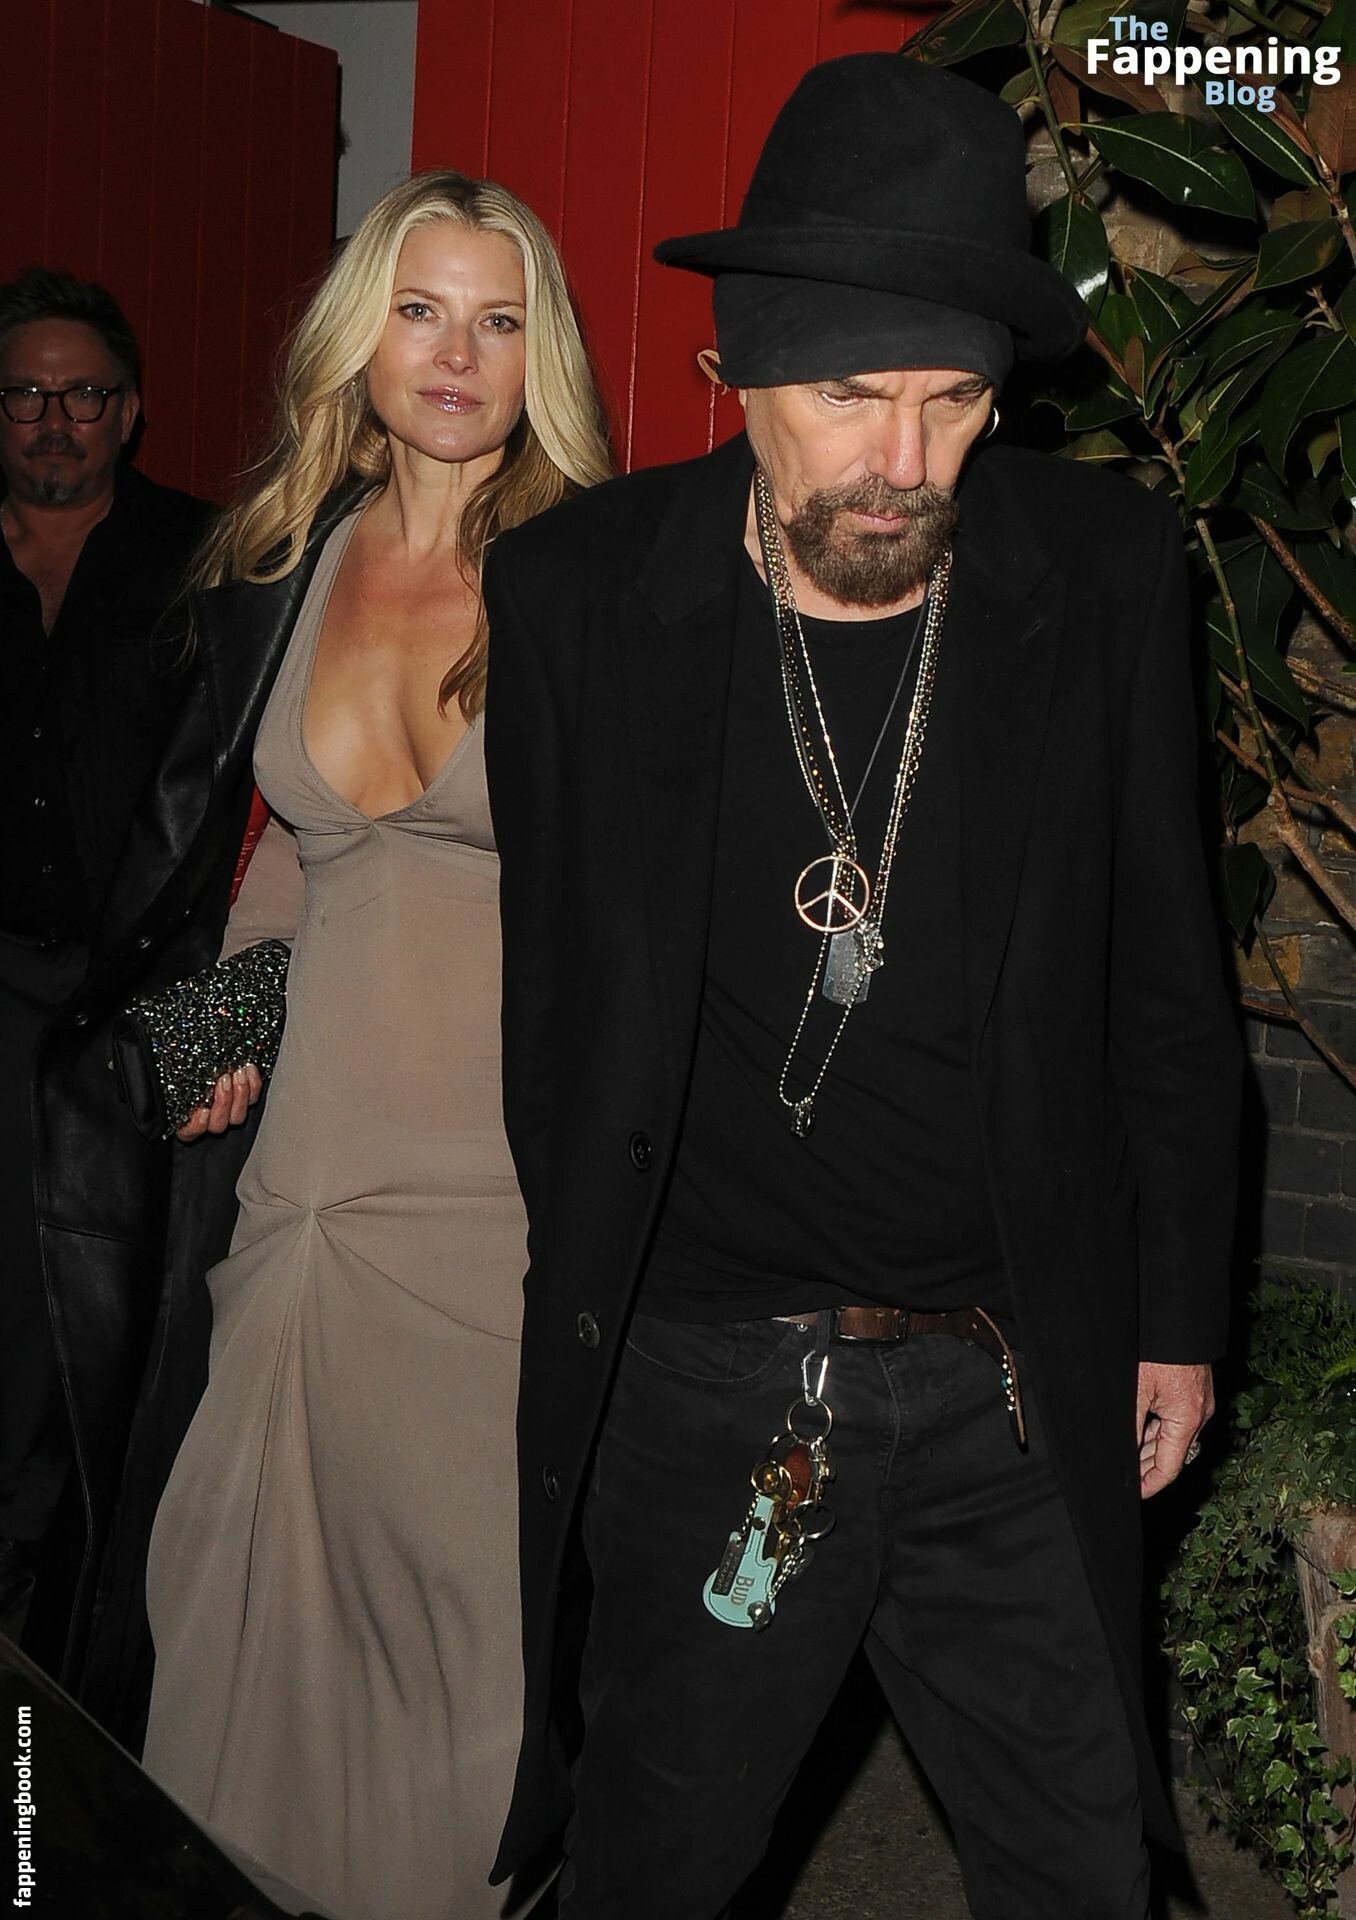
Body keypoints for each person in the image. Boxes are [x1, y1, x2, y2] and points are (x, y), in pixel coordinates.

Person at [483, 53, 1241, 1920]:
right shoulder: (579, 596)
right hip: (711, 1382)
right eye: (848, 398)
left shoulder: (1106, 573)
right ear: (738, 376)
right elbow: (558, 1006)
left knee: (1085, 1869)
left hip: (1011, 1375)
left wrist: (1173, 1313)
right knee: (657, 1866)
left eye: (952, 401)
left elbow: (1167, 982)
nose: (904, 463)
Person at [44, 170, 610, 1917]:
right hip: (297, 1187)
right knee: (238, 1610)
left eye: (499, 319)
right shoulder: (279, 569)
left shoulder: (592, 580)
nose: (455, 352)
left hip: (502, 1205)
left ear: (541, 356)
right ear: (359, 336)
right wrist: (229, 1010)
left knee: (468, 1652)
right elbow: (286, 862)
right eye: (420, 310)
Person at [0, 268, 212, 1647]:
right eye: (25, 394)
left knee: (96, 1329)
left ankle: (55, 1658)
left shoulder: (208, 559)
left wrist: (203, 1017)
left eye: (83, 394)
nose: (54, 420)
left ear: (129, 412)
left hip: (136, 1002)